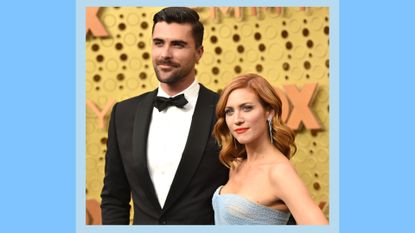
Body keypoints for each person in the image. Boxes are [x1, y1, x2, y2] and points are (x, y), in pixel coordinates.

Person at [100, 7, 228, 225]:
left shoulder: (223, 111)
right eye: (159, 42)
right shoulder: (124, 113)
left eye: (178, 44)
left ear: (199, 53)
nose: (165, 54)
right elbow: (114, 197)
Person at [212, 74, 328, 225]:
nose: (237, 119)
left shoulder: (279, 172)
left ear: (269, 112)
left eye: (247, 108)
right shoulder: (237, 164)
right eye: (229, 111)